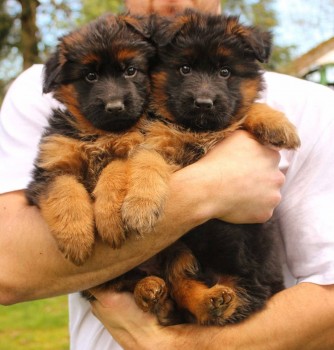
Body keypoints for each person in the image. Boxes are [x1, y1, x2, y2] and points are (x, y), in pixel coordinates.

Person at [0, 0, 333, 349]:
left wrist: (172, 345)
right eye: (185, 69)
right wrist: (208, 190)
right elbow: (8, 271)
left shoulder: (318, 108)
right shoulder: (38, 97)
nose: (168, 3)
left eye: (130, 71)